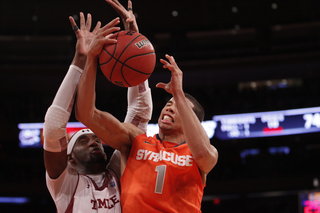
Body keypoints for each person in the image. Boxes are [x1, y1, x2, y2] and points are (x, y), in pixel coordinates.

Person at [75, 4, 219, 213]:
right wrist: (92, 58)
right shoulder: (136, 140)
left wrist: (178, 94)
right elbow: (86, 113)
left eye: (178, 107)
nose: (169, 108)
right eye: (169, 104)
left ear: (192, 122)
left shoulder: (201, 155)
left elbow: (203, 153)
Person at [43, 1, 152, 212]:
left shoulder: (117, 172)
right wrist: (81, 58)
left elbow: (139, 115)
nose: (95, 142)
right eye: (84, 140)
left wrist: (135, 40)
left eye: (96, 139)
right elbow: (54, 125)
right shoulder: (64, 184)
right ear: (70, 158)